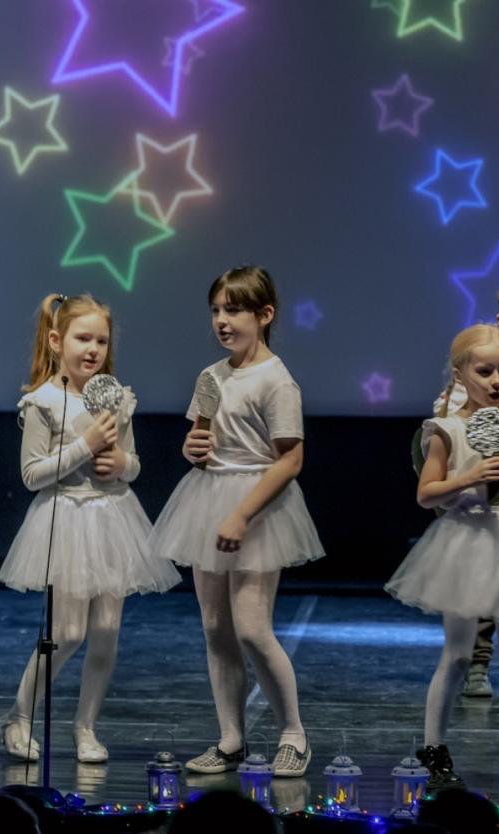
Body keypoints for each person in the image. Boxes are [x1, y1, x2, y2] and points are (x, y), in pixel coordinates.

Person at [151, 266, 324, 778]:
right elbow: (201, 440)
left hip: (257, 504)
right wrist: (192, 448)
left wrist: (242, 513)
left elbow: (290, 459)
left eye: (234, 310)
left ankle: (293, 733)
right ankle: (231, 739)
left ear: (264, 315)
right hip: (209, 497)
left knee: (251, 627)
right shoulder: (212, 377)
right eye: (216, 311)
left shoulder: (277, 380)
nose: (222, 321)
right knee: (215, 625)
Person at [386, 324, 499, 791]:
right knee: (458, 654)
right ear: (460, 374)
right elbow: (427, 493)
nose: (495, 380)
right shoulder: (447, 429)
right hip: (466, 541)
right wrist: (469, 477)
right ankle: (434, 751)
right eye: (484, 371)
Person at [0, 293, 179, 763]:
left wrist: (121, 463)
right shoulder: (43, 401)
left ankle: (86, 726)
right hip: (67, 519)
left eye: (101, 340)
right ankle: (19, 716)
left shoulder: (115, 397)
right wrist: (85, 445)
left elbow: (132, 463)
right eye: (83, 338)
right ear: (57, 341)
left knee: (106, 630)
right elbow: (32, 474)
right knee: (69, 632)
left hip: (113, 517)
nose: (93, 349)